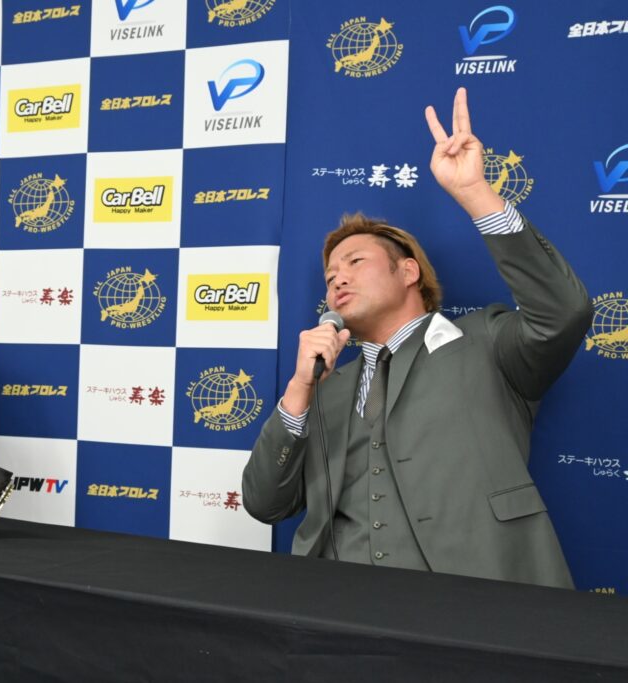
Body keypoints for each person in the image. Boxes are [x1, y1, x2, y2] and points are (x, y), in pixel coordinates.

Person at [242, 88, 592, 588]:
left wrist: (475, 193)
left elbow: (563, 311)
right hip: (338, 610)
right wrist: (299, 390)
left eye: (355, 262)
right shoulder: (324, 389)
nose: (338, 279)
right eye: (330, 276)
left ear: (408, 272)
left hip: (479, 603)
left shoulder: (486, 341)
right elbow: (264, 503)